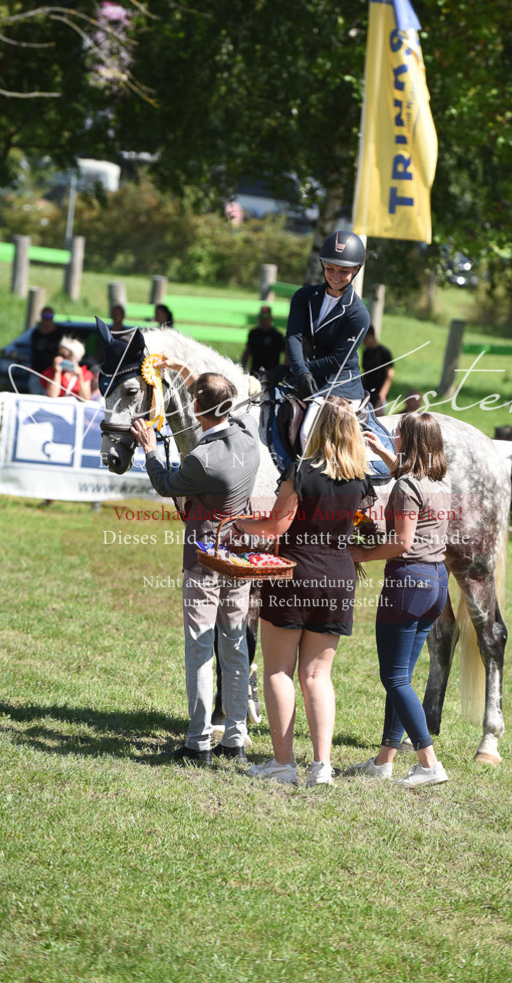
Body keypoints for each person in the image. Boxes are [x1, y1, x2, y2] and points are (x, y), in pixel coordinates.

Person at [235, 397, 376, 786]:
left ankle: (283, 764)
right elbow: (369, 529)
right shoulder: (362, 481)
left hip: (294, 575)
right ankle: (322, 766)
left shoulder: (300, 471)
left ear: (318, 429)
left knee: (278, 670)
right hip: (339, 580)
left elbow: (275, 528)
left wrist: (238, 524)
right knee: (318, 676)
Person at [130, 372, 260, 764]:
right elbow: (241, 412)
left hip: (205, 558)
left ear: (198, 409)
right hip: (238, 556)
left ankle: (198, 740)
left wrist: (151, 449)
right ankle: (235, 737)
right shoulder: (250, 439)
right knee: (235, 645)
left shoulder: (202, 458)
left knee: (201, 645)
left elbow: (166, 484)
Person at [349, 411, 451, 789]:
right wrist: (389, 459)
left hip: (408, 583)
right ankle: (382, 762)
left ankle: (429, 763)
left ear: (408, 441)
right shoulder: (440, 482)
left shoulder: (406, 487)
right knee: (401, 678)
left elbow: (403, 542)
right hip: (437, 583)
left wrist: (359, 555)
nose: (392, 436)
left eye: (396, 434)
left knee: (393, 678)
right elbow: (412, 484)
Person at [280, 230, 370, 403]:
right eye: (330, 268)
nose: (335, 277)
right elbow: (293, 336)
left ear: (356, 269)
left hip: (340, 386)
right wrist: (300, 371)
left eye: (344, 271)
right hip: (305, 376)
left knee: (308, 430)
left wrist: (291, 370)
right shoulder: (303, 296)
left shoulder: (358, 314)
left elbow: (337, 361)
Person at [240, 305, 285, 376]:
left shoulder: (277, 335)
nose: (263, 319)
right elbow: (247, 352)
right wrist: (241, 369)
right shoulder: (253, 334)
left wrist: (283, 372)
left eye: (266, 316)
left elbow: (286, 355)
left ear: (271, 318)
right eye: (261, 316)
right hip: (255, 372)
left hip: (272, 374)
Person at [29, 307, 63, 394]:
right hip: (36, 372)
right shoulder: (35, 333)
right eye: (45, 316)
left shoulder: (59, 333)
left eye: (50, 316)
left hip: (51, 373)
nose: (47, 318)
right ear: (41, 317)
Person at [361, 327, 394, 415]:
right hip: (367, 391)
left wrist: (382, 396)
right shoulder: (366, 352)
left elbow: (390, 374)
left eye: (365, 338)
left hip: (379, 392)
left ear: (371, 336)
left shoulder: (384, 352)